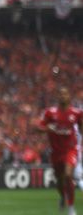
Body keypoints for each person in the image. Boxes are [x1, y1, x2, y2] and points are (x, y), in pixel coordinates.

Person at [37, 86, 81, 215]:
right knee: (60, 180)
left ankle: (71, 207)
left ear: (69, 97)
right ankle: (62, 197)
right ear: (58, 97)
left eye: (65, 94)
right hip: (55, 152)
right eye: (60, 94)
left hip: (70, 150)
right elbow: (38, 127)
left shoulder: (76, 113)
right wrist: (47, 128)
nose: (63, 96)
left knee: (68, 175)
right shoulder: (50, 113)